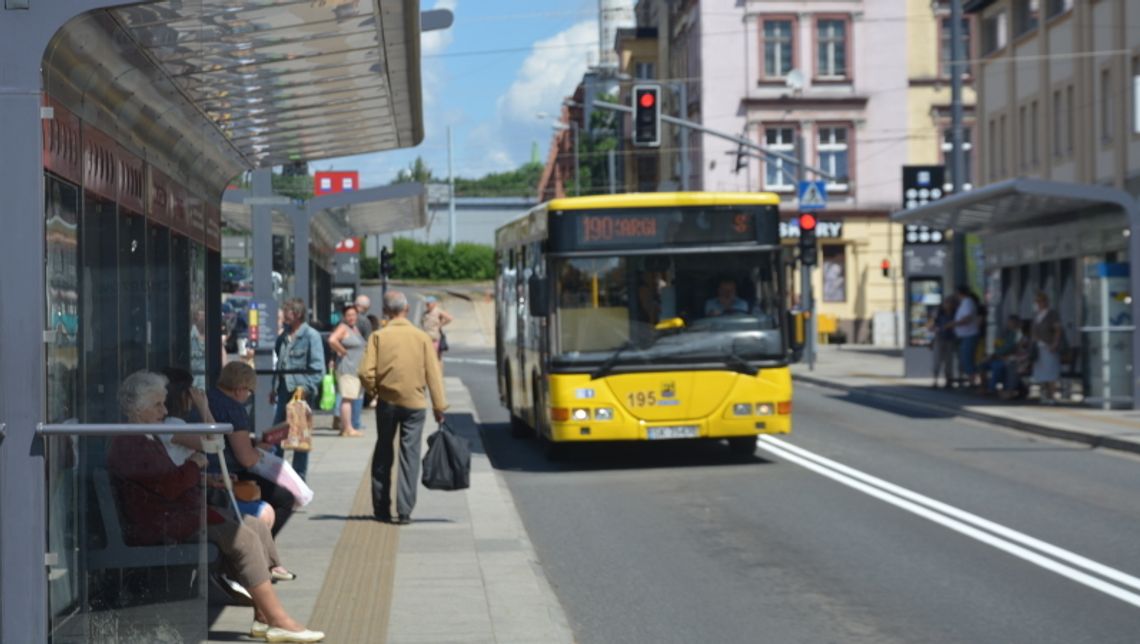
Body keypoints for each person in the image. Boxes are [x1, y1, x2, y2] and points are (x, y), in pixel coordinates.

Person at [108, 371, 323, 643]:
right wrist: (194, 465)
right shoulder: (131, 443)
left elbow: (165, 481)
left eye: (163, 403)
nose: (164, 410)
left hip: (174, 513)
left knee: (255, 525)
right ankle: (278, 620)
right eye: (157, 405)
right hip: (161, 522)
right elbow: (169, 484)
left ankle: (263, 615)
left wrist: (205, 477)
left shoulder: (144, 437)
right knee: (243, 538)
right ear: (138, 409)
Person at [358, 291, 448, 524]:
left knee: (383, 451)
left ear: (386, 312)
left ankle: (381, 508)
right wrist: (439, 406)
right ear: (406, 310)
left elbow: (364, 372)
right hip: (415, 404)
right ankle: (405, 510)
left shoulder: (378, 336)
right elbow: (433, 374)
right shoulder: (421, 338)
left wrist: (374, 391)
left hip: (387, 402)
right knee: (410, 455)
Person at [208, 362, 296, 536]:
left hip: (210, 469)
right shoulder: (233, 409)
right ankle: (264, 545)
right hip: (226, 473)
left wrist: (252, 442)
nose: (249, 396)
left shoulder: (209, 397)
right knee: (285, 498)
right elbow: (246, 459)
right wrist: (263, 447)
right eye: (249, 392)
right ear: (240, 389)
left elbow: (229, 440)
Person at [271, 298, 325, 480]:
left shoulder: (311, 336)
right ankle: (275, 477)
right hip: (283, 392)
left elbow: (318, 370)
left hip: (300, 394)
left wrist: (304, 389)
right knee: (276, 437)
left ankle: (298, 481)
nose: (284, 314)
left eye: (287, 311)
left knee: (299, 440)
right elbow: (280, 364)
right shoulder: (283, 336)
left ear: (297, 314)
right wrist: (274, 388)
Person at [327, 304, 366, 437]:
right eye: (349, 315)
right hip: (347, 368)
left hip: (354, 368)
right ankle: (348, 428)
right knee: (347, 398)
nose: (351, 317)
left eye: (354, 315)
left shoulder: (354, 329)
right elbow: (332, 339)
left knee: (350, 398)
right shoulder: (343, 327)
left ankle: (346, 427)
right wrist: (342, 351)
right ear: (344, 317)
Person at [945, 286, 981, 388]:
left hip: (969, 335)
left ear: (959, 293)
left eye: (956, 293)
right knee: (965, 358)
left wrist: (953, 324)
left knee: (967, 358)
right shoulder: (964, 303)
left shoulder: (968, 302)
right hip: (965, 335)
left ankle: (973, 380)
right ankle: (972, 380)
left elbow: (967, 318)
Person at [1031, 291, 1063, 404]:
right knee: (1041, 373)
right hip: (1039, 347)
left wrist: (1055, 343)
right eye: (1037, 301)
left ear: (1046, 301)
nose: (1038, 303)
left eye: (1040, 301)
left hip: (1049, 346)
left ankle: (1052, 396)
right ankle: (1044, 394)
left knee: (1051, 372)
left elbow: (1058, 330)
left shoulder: (1052, 314)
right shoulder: (1037, 315)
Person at [984, 315, 1023, 395]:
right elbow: (998, 345)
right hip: (1000, 356)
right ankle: (984, 386)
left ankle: (992, 388)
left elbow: (1012, 347)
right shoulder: (1006, 333)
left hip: (1010, 358)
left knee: (997, 366)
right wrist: (995, 354)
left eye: (1010, 322)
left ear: (1015, 323)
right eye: (1008, 322)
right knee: (983, 364)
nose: (1008, 323)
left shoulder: (1018, 334)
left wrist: (998, 355)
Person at [929, 297, 957, 388]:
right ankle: (935, 380)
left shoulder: (955, 314)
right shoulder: (939, 314)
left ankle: (949, 380)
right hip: (940, 339)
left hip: (950, 339)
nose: (948, 305)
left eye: (950, 303)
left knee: (949, 361)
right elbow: (931, 326)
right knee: (937, 360)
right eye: (946, 303)